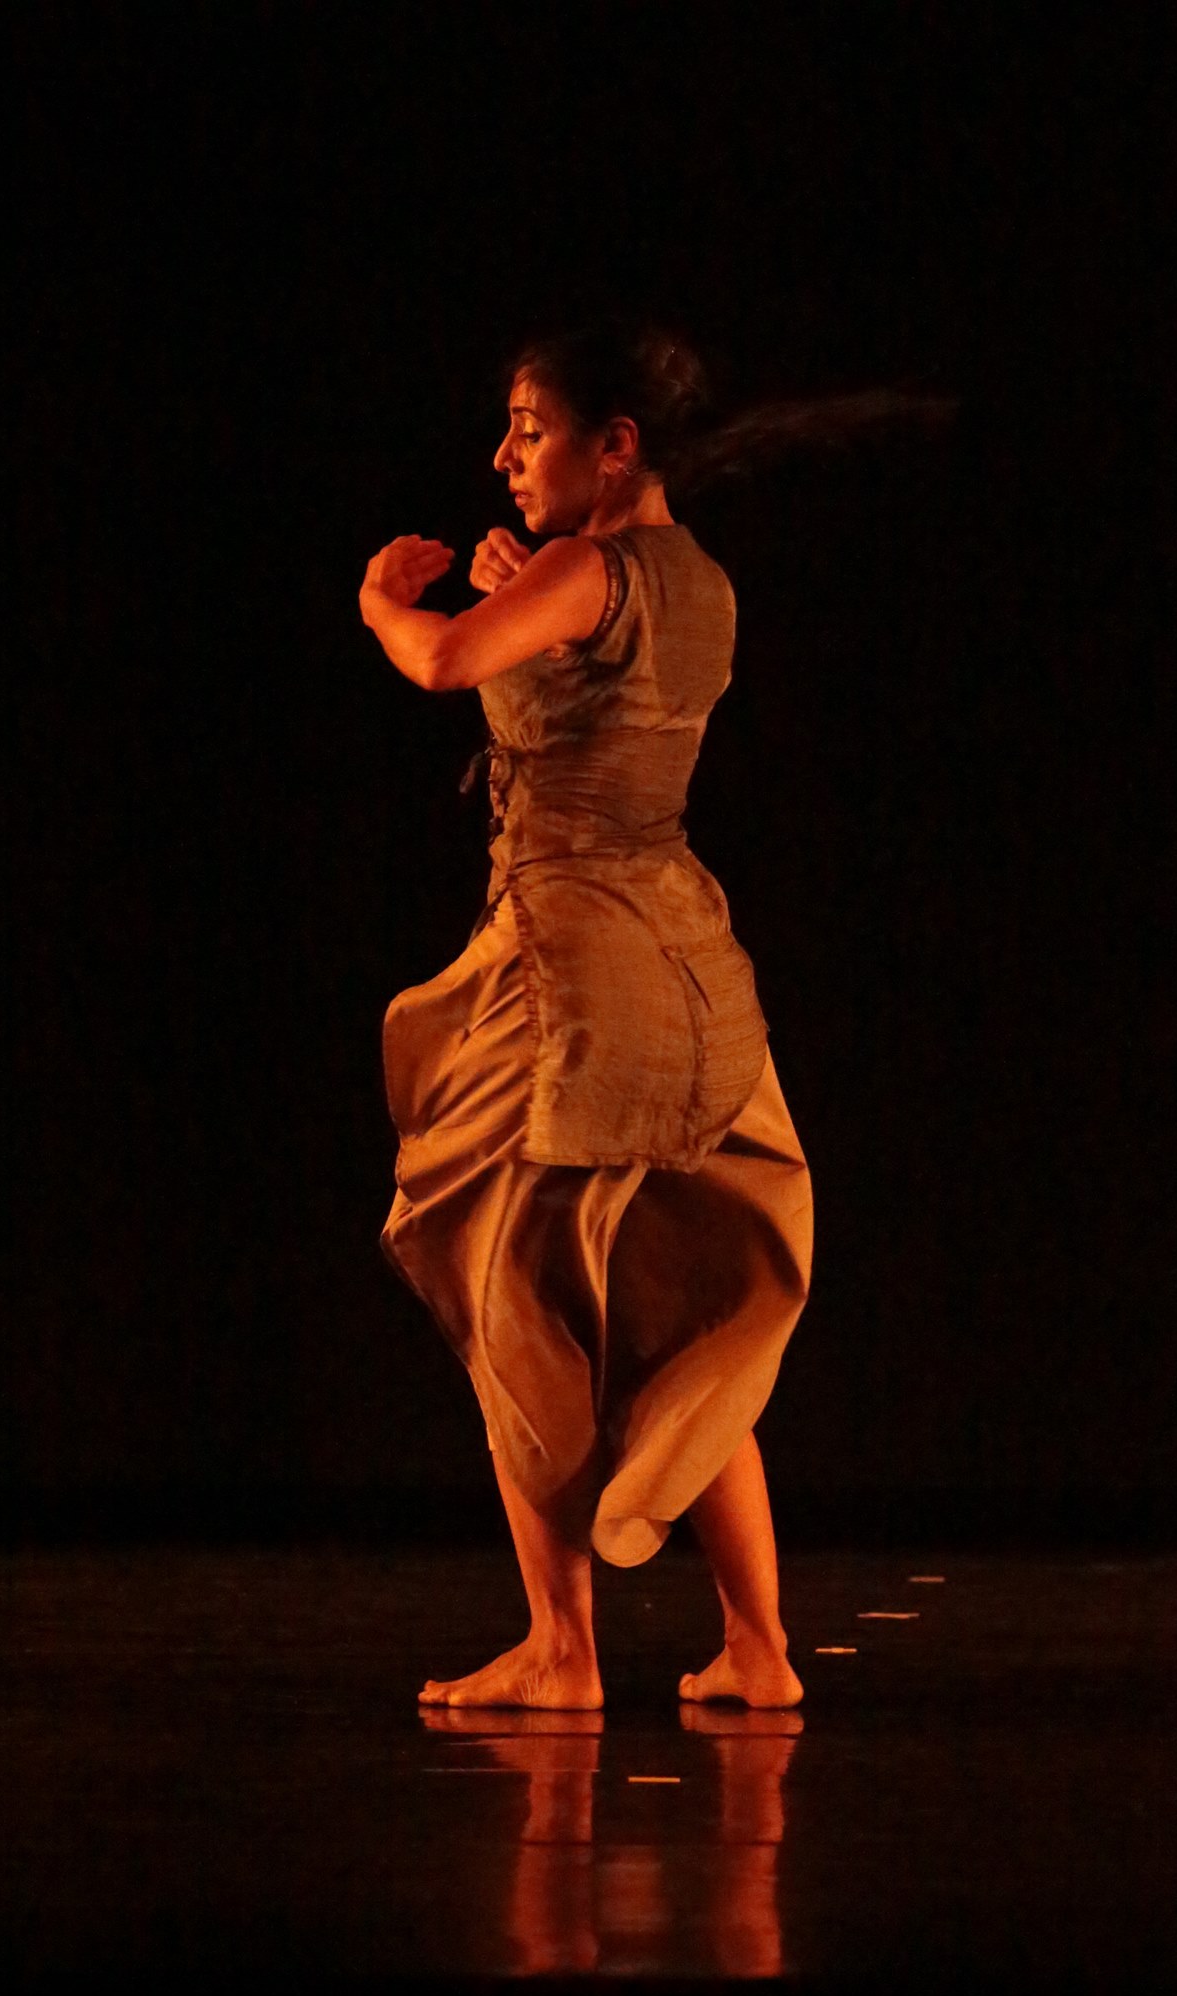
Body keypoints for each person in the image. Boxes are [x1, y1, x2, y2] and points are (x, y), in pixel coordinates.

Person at [358, 323, 816, 1711]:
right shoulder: (701, 582)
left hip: (567, 977)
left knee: (510, 1295)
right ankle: (759, 1649)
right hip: (686, 964)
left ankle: (563, 1650)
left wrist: (381, 603)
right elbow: (590, 695)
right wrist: (532, 596)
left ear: (614, 446)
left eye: (530, 428)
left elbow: (445, 664)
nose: (506, 457)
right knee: (678, 1318)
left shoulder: (587, 571)